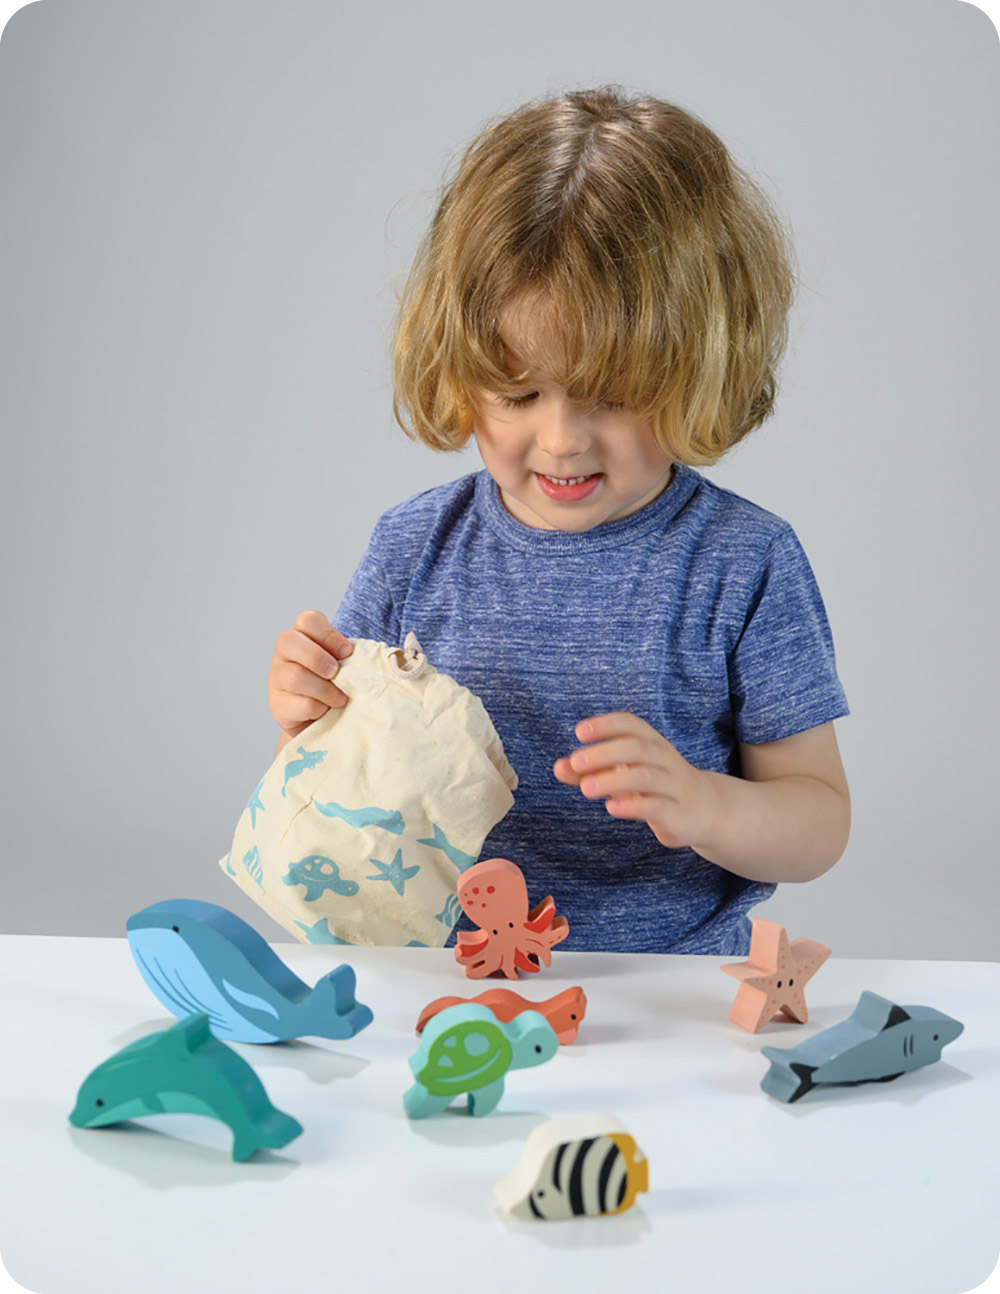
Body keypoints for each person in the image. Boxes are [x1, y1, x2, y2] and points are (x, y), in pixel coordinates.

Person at [265, 85, 851, 955]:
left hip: (667, 986)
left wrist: (705, 804)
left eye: (612, 394)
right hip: (446, 976)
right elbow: (350, 781)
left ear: (702, 366)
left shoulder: (743, 563)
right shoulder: (414, 547)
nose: (562, 439)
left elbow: (819, 819)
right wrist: (307, 716)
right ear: (459, 369)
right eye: (518, 394)